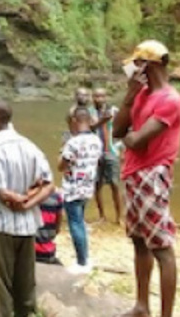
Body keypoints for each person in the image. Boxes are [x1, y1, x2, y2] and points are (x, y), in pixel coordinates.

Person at [112, 40, 180, 317]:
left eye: (137, 63)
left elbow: (137, 140)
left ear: (149, 65)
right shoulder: (141, 95)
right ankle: (142, 305)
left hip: (153, 174)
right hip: (133, 173)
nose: (132, 69)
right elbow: (119, 131)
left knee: (161, 246)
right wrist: (130, 96)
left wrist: (131, 137)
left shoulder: (170, 100)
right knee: (139, 240)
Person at [0, 101, 53, 317]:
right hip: (27, 229)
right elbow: (49, 184)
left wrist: (18, 200)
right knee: (25, 290)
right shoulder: (29, 146)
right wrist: (29, 203)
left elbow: (0, 192)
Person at [60, 108, 102, 273]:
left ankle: (82, 262)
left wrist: (62, 150)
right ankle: (85, 257)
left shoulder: (73, 142)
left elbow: (61, 165)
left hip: (73, 188)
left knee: (75, 224)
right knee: (80, 222)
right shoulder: (96, 141)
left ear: (75, 121)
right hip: (87, 186)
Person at [92, 87, 124, 224]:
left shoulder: (114, 111)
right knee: (97, 185)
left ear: (106, 97)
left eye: (102, 96)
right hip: (95, 153)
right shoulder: (89, 112)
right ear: (93, 98)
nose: (99, 99)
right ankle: (102, 216)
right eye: (96, 96)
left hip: (111, 151)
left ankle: (119, 217)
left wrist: (122, 149)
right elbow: (89, 127)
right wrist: (102, 121)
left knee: (115, 184)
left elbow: (125, 129)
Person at [35, 191, 64, 265]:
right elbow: (58, 227)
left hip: (33, 252)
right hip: (49, 251)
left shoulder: (30, 196)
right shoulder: (57, 197)